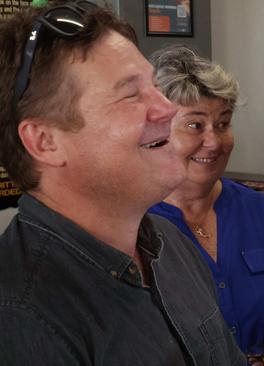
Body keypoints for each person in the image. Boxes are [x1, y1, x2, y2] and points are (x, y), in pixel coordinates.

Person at [0, 2, 245, 364]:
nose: (168, 109)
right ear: (45, 141)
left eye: (154, 87)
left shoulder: (169, 245)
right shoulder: (21, 315)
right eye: (131, 94)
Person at [147, 45, 264, 366]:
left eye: (223, 124)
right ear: (156, 132)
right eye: (195, 125)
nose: (214, 141)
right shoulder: (129, 226)